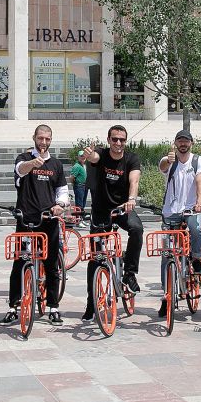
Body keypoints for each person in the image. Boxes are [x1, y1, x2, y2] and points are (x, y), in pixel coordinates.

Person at [3, 125, 68, 326]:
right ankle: (13, 306)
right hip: (26, 219)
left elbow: (62, 190)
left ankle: (53, 307)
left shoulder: (55, 164)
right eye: (40, 138)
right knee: (19, 262)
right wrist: (32, 163)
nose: (44, 142)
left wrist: (61, 205)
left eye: (47, 139)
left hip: (48, 220)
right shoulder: (24, 159)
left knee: (51, 264)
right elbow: (19, 171)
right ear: (34, 138)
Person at [81, 125, 143, 320]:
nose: (118, 143)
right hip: (101, 211)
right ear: (108, 140)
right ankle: (91, 301)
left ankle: (130, 273)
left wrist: (131, 199)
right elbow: (94, 159)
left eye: (122, 140)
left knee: (137, 229)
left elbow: (134, 181)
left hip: (124, 208)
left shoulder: (131, 158)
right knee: (96, 256)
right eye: (114, 139)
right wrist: (90, 155)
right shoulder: (101, 153)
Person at [157, 129, 201, 317]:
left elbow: (200, 181)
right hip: (170, 211)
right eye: (180, 141)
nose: (183, 144)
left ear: (191, 143)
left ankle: (196, 258)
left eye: (186, 141)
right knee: (167, 253)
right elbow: (162, 167)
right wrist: (168, 160)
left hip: (191, 208)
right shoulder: (170, 160)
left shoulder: (198, 160)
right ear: (175, 143)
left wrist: (199, 203)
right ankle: (166, 294)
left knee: (194, 227)